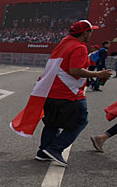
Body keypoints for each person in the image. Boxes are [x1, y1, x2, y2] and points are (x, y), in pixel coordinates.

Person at [11, 20, 113, 167]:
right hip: (68, 93)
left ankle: (43, 152)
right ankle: (55, 148)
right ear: (85, 33)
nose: (91, 34)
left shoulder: (63, 44)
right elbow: (75, 70)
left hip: (51, 91)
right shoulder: (79, 47)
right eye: (90, 31)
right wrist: (98, 74)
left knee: (52, 123)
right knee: (80, 120)